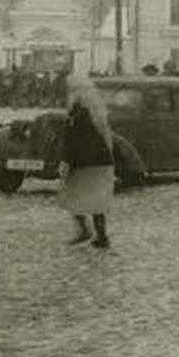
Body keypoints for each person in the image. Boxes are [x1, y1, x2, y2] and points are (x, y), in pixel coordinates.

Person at [57, 74, 114, 248]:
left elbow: (73, 139)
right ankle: (101, 236)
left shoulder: (79, 111)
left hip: (85, 162)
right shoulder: (96, 108)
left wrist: (66, 161)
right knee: (97, 201)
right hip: (101, 160)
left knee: (71, 197)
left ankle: (84, 231)